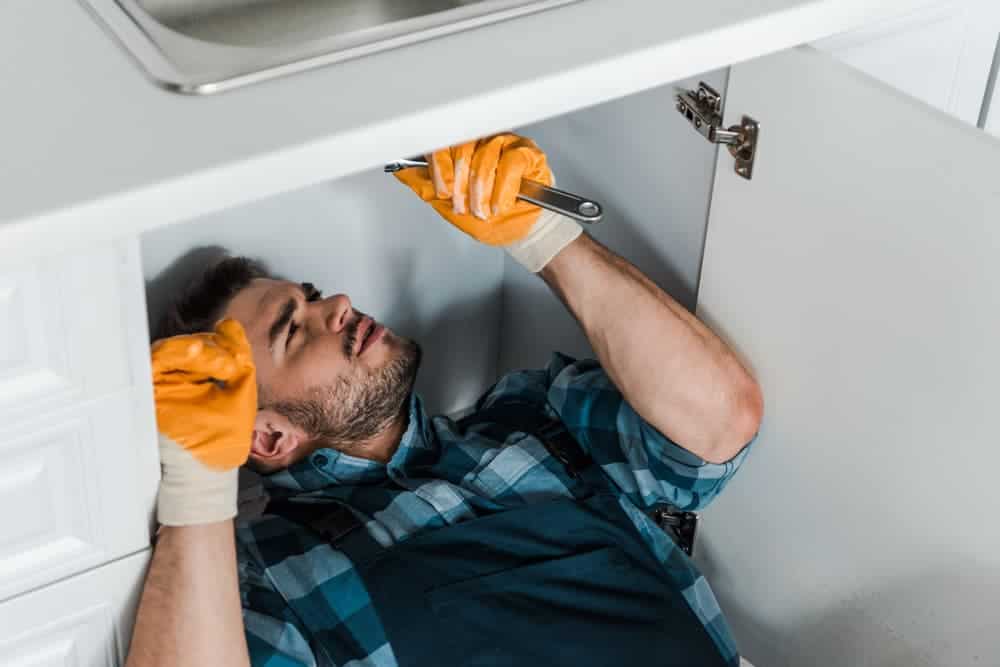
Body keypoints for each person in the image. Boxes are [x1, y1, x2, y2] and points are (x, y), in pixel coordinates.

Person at [125, 134, 763, 667]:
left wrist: (542, 236)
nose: (337, 305)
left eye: (314, 294)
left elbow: (718, 424)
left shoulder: (533, 418)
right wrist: (199, 485)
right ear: (268, 437)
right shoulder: (271, 573)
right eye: (294, 330)